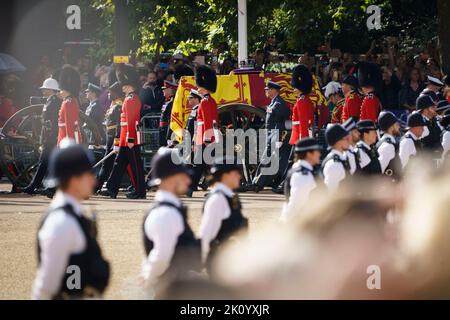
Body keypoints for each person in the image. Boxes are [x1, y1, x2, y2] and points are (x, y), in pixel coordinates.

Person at [32, 140, 110, 300]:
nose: (93, 181)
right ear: (74, 178)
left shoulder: (72, 215)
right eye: (89, 175)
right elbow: (47, 286)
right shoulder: (62, 222)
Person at [142, 148, 201, 289]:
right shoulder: (166, 213)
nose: (188, 180)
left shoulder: (171, 209)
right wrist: (148, 280)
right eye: (182, 176)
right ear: (169, 178)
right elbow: (161, 257)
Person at [99, 65, 146, 199]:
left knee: (136, 166)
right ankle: (111, 188)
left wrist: (130, 139)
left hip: (130, 138)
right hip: (126, 138)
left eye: (125, 85)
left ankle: (140, 192)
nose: (122, 87)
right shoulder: (129, 98)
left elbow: (131, 122)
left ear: (130, 85)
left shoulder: (132, 99)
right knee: (119, 163)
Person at [200, 156, 248, 274]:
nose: (239, 176)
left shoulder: (228, 196)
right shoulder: (217, 199)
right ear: (224, 175)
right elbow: (206, 235)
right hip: (220, 265)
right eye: (236, 172)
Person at [22, 78, 61, 195]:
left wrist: (48, 140)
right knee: (44, 163)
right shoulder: (50, 101)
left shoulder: (53, 102)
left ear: (50, 90)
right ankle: (38, 186)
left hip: (50, 139)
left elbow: (52, 124)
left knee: (44, 163)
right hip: (48, 137)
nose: (43, 91)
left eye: (45, 89)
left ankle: (35, 186)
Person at [252, 81, 291, 192]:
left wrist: (277, 137)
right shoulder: (275, 102)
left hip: (275, 135)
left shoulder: (278, 103)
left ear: (273, 90)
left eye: (267, 89)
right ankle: (258, 182)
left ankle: (257, 183)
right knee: (268, 159)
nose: (266, 91)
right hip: (272, 135)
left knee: (266, 159)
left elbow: (280, 121)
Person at [189, 66, 219, 196]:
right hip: (206, 136)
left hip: (205, 137)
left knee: (200, 164)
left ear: (204, 87)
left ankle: (191, 187)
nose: (197, 88)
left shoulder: (204, 102)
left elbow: (206, 122)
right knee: (204, 164)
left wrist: (206, 139)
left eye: (199, 86)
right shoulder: (210, 101)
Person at [281, 138, 321, 222]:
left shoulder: (304, 171)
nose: (319, 154)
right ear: (309, 154)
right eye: (317, 151)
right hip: (303, 224)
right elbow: (296, 204)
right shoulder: (302, 175)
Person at [95, 81, 124, 192]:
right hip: (109, 136)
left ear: (116, 93)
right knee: (107, 163)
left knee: (107, 163)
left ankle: (98, 185)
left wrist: (116, 142)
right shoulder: (113, 104)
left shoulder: (119, 105)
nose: (108, 94)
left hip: (113, 137)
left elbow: (118, 125)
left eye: (110, 92)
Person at [289, 64, 314, 145]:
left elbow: (303, 122)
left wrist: (303, 140)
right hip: (300, 134)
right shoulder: (304, 99)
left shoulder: (302, 101)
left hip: (299, 136)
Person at [322, 124, 351, 193]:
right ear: (338, 142)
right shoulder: (334, 164)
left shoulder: (342, 158)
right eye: (346, 139)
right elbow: (331, 192)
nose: (349, 141)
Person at [57, 66, 82, 145]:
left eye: (61, 89)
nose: (60, 91)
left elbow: (70, 127)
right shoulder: (68, 101)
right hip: (63, 140)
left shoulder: (69, 103)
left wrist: (70, 147)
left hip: (68, 142)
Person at [377, 111, 402, 180]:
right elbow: (378, 172)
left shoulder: (387, 142)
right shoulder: (388, 146)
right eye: (396, 124)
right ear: (391, 127)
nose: (399, 126)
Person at [159, 80, 177, 146]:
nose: (163, 90)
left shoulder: (172, 103)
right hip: (163, 130)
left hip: (167, 131)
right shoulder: (167, 101)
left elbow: (171, 121)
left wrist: (169, 136)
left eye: (164, 89)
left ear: (170, 90)